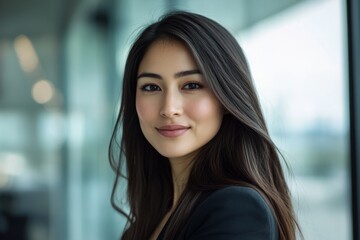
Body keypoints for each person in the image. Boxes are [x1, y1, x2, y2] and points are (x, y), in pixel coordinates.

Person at [109, 11, 301, 240]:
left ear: (227, 98)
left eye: (191, 85)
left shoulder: (237, 209)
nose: (169, 108)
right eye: (151, 87)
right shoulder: (152, 219)